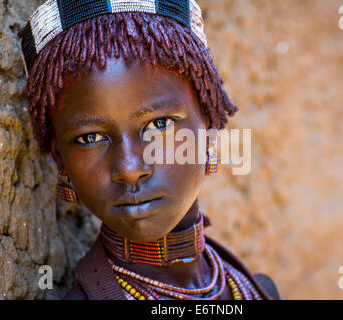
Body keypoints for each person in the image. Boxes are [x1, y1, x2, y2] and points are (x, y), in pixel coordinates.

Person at [18, 0, 281, 300]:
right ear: (59, 159)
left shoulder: (258, 292)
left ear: (207, 127)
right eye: (90, 138)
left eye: (159, 124)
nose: (130, 169)